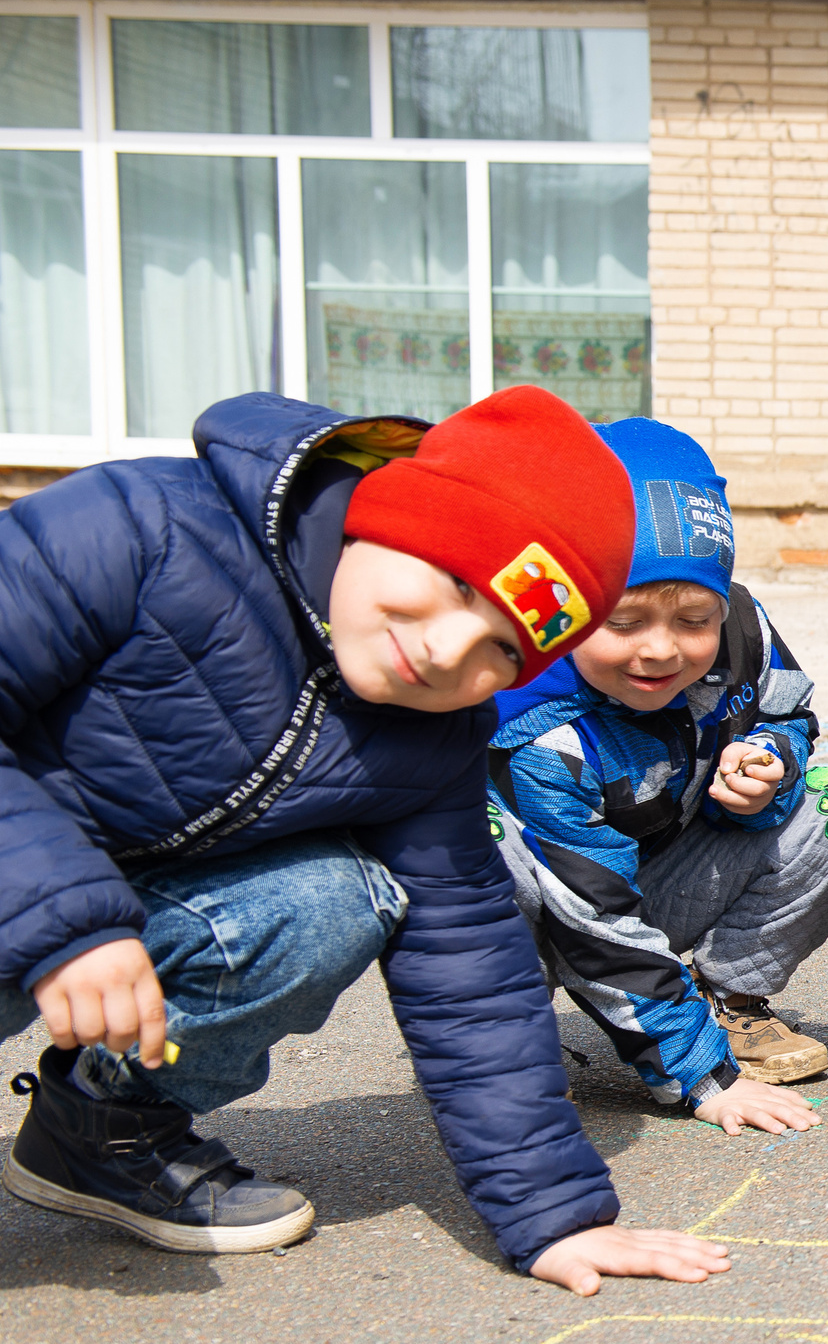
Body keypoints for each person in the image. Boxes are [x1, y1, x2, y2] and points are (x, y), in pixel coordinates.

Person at [0, 386, 731, 1295]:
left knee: (337, 901)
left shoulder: (433, 728)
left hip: (105, 906)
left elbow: (467, 962)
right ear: (390, 515)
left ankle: (100, 1128)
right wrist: (66, 918)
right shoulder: (144, 532)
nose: (446, 650)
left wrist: (553, 1215)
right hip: (36, 880)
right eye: (457, 584)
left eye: (502, 651)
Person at [488, 418, 828, 1137]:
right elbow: (590, 914)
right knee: (496, 862)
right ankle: (497, 1041)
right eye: (623, 620)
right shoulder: (538, 724)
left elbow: (793, 711)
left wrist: (773, 759)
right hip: (555, 914)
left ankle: (728, 999)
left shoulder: (742, 623)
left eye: (692, 618)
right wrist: (701, 1077)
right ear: (570, 603)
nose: (660, 649)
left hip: (658, 869)